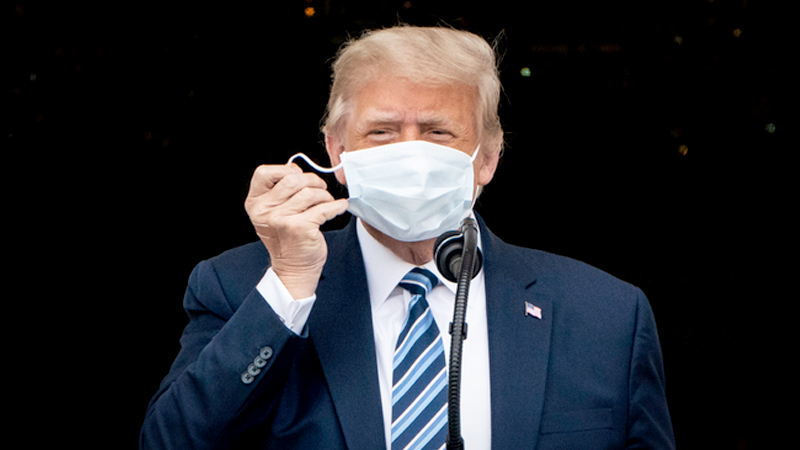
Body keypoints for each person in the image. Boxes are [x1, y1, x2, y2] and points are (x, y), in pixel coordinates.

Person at [140, 26, 675, 449]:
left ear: (487, 157)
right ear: (335, 153)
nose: (411, 151)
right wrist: (289, 287)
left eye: (439, 131)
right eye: (382, 131)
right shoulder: (238, 288)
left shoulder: (606, 315)